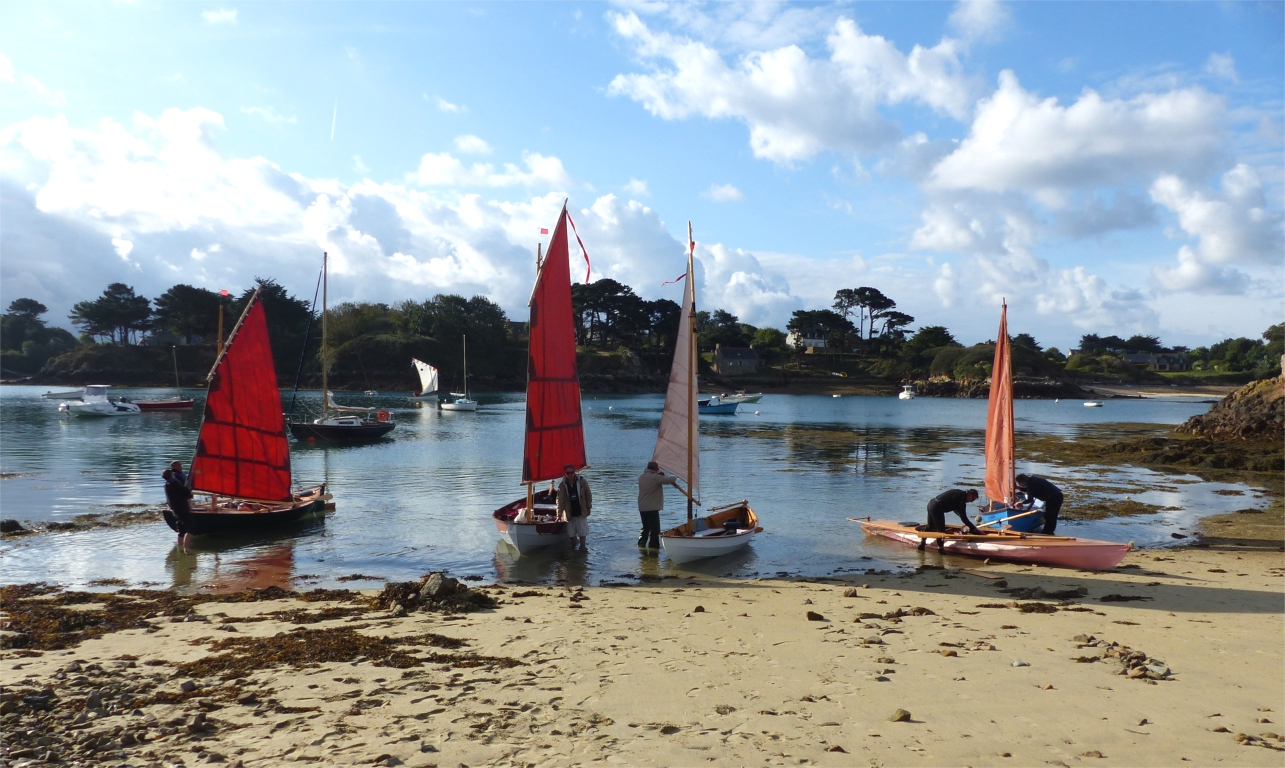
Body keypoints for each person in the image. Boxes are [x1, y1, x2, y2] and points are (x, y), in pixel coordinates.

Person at [636, 461, 677, 549]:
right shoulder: (654, 477)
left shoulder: (641, 477)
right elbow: (670, 480)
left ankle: (641, 544)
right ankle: (653, 547)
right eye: (657, 468)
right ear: (655, 469)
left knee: (645, 528)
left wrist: (659, 474)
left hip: (642, 507)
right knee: (655, 530)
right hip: (651, 508)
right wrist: (676, 475)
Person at [556, 464, 592, 548]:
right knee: (571, 534)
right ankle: (573, 548)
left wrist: (588, 507)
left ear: (574, 472)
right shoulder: (562, 485)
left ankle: (583, 548)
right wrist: (559, 514)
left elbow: (588, 495)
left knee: (582, 533)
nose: (569, 475)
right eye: (567, 473)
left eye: (571, 472)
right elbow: (559, 500)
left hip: (581, 511)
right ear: (565, 473)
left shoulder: (582, 482)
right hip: (569, 513)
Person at [162, 468, 194, 547]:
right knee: (191, 528)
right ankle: (186, 549)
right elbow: (186, 493)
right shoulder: (174, 483)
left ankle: (180, 549)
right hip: (182, 508)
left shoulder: (167, 484)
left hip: (174, 508)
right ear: (171, 475)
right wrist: (189, 492)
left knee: (182, 530)